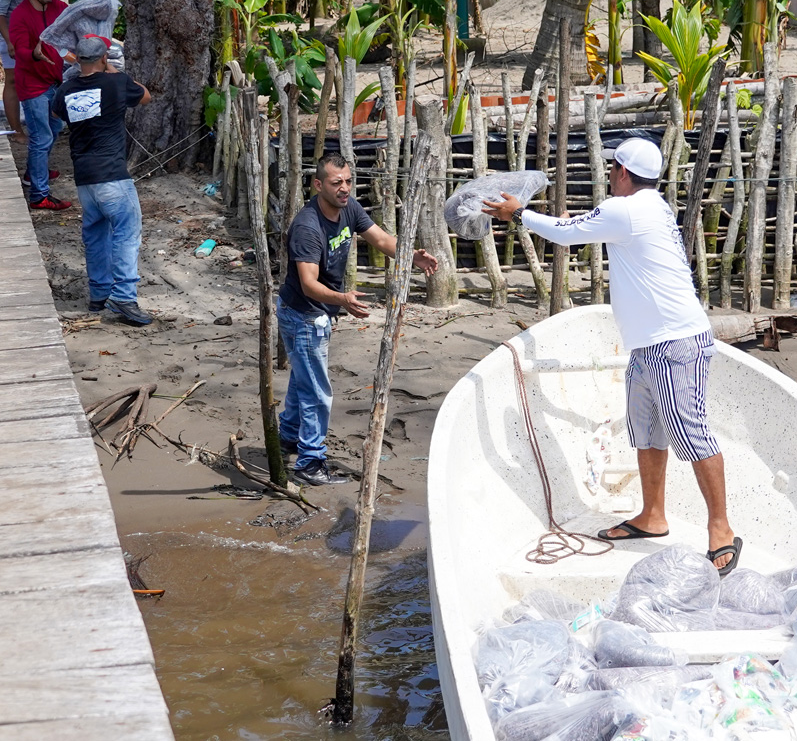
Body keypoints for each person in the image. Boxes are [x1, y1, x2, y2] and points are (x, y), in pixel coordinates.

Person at [482, 137, 741, 576]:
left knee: (690, 431)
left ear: (622, 172)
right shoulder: (648, 205)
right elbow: (584, 226)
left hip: (674, 343)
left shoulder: (625, 210)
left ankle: (721, 529)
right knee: (647, 430)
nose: (608, 175)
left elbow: (567, 234)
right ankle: (652, 516)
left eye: (611, 169)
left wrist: (519, 214)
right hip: (648, 345)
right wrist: (571, 222)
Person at [278, 152, 438, 487]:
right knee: (317, 392)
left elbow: (380, 239)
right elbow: (308, 284)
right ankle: (310, 462)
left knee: (304, 380)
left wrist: (412, 256)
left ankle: (288, 437)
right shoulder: (307, 227)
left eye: (348, 181)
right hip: (303, 314)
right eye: (337, 183)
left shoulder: (348, 207)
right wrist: (343, 300)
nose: (345, 188)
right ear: (318, 184)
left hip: (317, 312)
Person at [53, 34, 153, 325]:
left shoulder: (66, 90)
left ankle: (99, 294)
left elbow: (56, 111)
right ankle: (123, 296)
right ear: (103, 58)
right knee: (126, 232)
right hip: (112, 175)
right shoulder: (116, 82)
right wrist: (111, 70)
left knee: (96, 233)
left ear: (78, 59)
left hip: (84, 177)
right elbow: (145, 96)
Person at [9, 0, 69, 210]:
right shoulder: (20, 15)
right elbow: (19, 50)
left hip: (55, 81)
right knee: (41, 136)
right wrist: (33, 54)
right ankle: (39, 195)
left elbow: (77, 21)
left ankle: (34, 172)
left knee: (55, 127)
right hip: (32, 85)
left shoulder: (59, 8)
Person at [0, 0, 28, 142]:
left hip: (30, 34)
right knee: (12, 80)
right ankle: (16, 131)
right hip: (9, 35)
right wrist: (10, 42)